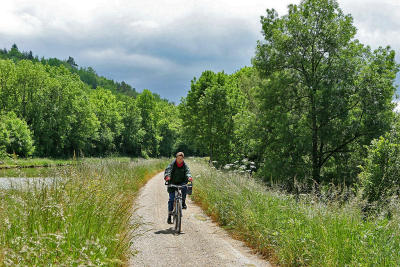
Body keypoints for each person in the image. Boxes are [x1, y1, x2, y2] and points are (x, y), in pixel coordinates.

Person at [164, 152, 193, 224]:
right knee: (171, 199)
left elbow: (187, 172)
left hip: (182, 182)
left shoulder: (185, 165)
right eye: (178, 158)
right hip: (172, 183)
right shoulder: (172, 164)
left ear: (183, 159)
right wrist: (167, 177)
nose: (180, 160)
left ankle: (183, 202)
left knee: (185, 189)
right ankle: (169, 216)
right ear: (176, 158)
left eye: (181, 159)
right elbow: (168, 170)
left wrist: (189, 177)